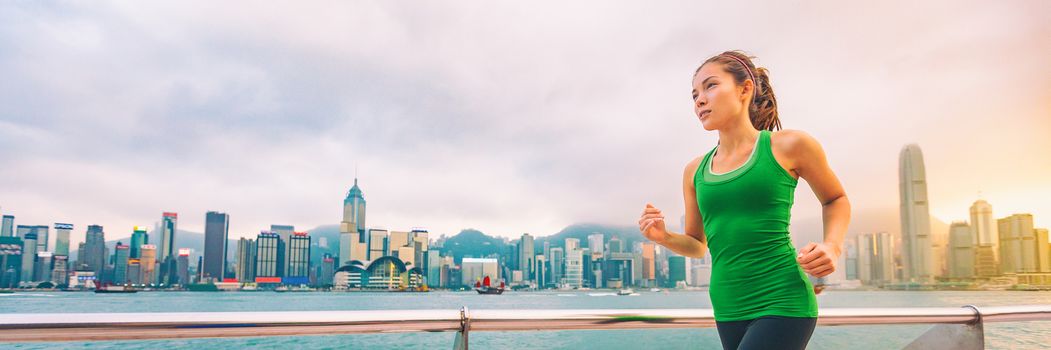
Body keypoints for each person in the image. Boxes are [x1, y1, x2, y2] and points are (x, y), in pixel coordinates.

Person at [637, 50, 850, 350]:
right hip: (727, 307)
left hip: (782, 300)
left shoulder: (789, 145)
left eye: (710, 86)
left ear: (745, 88)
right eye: (694, 94)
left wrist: (832, 246)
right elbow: (698, 245)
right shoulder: (694, 171)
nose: (699, 100)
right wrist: (663, 236)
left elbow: (835, 199)